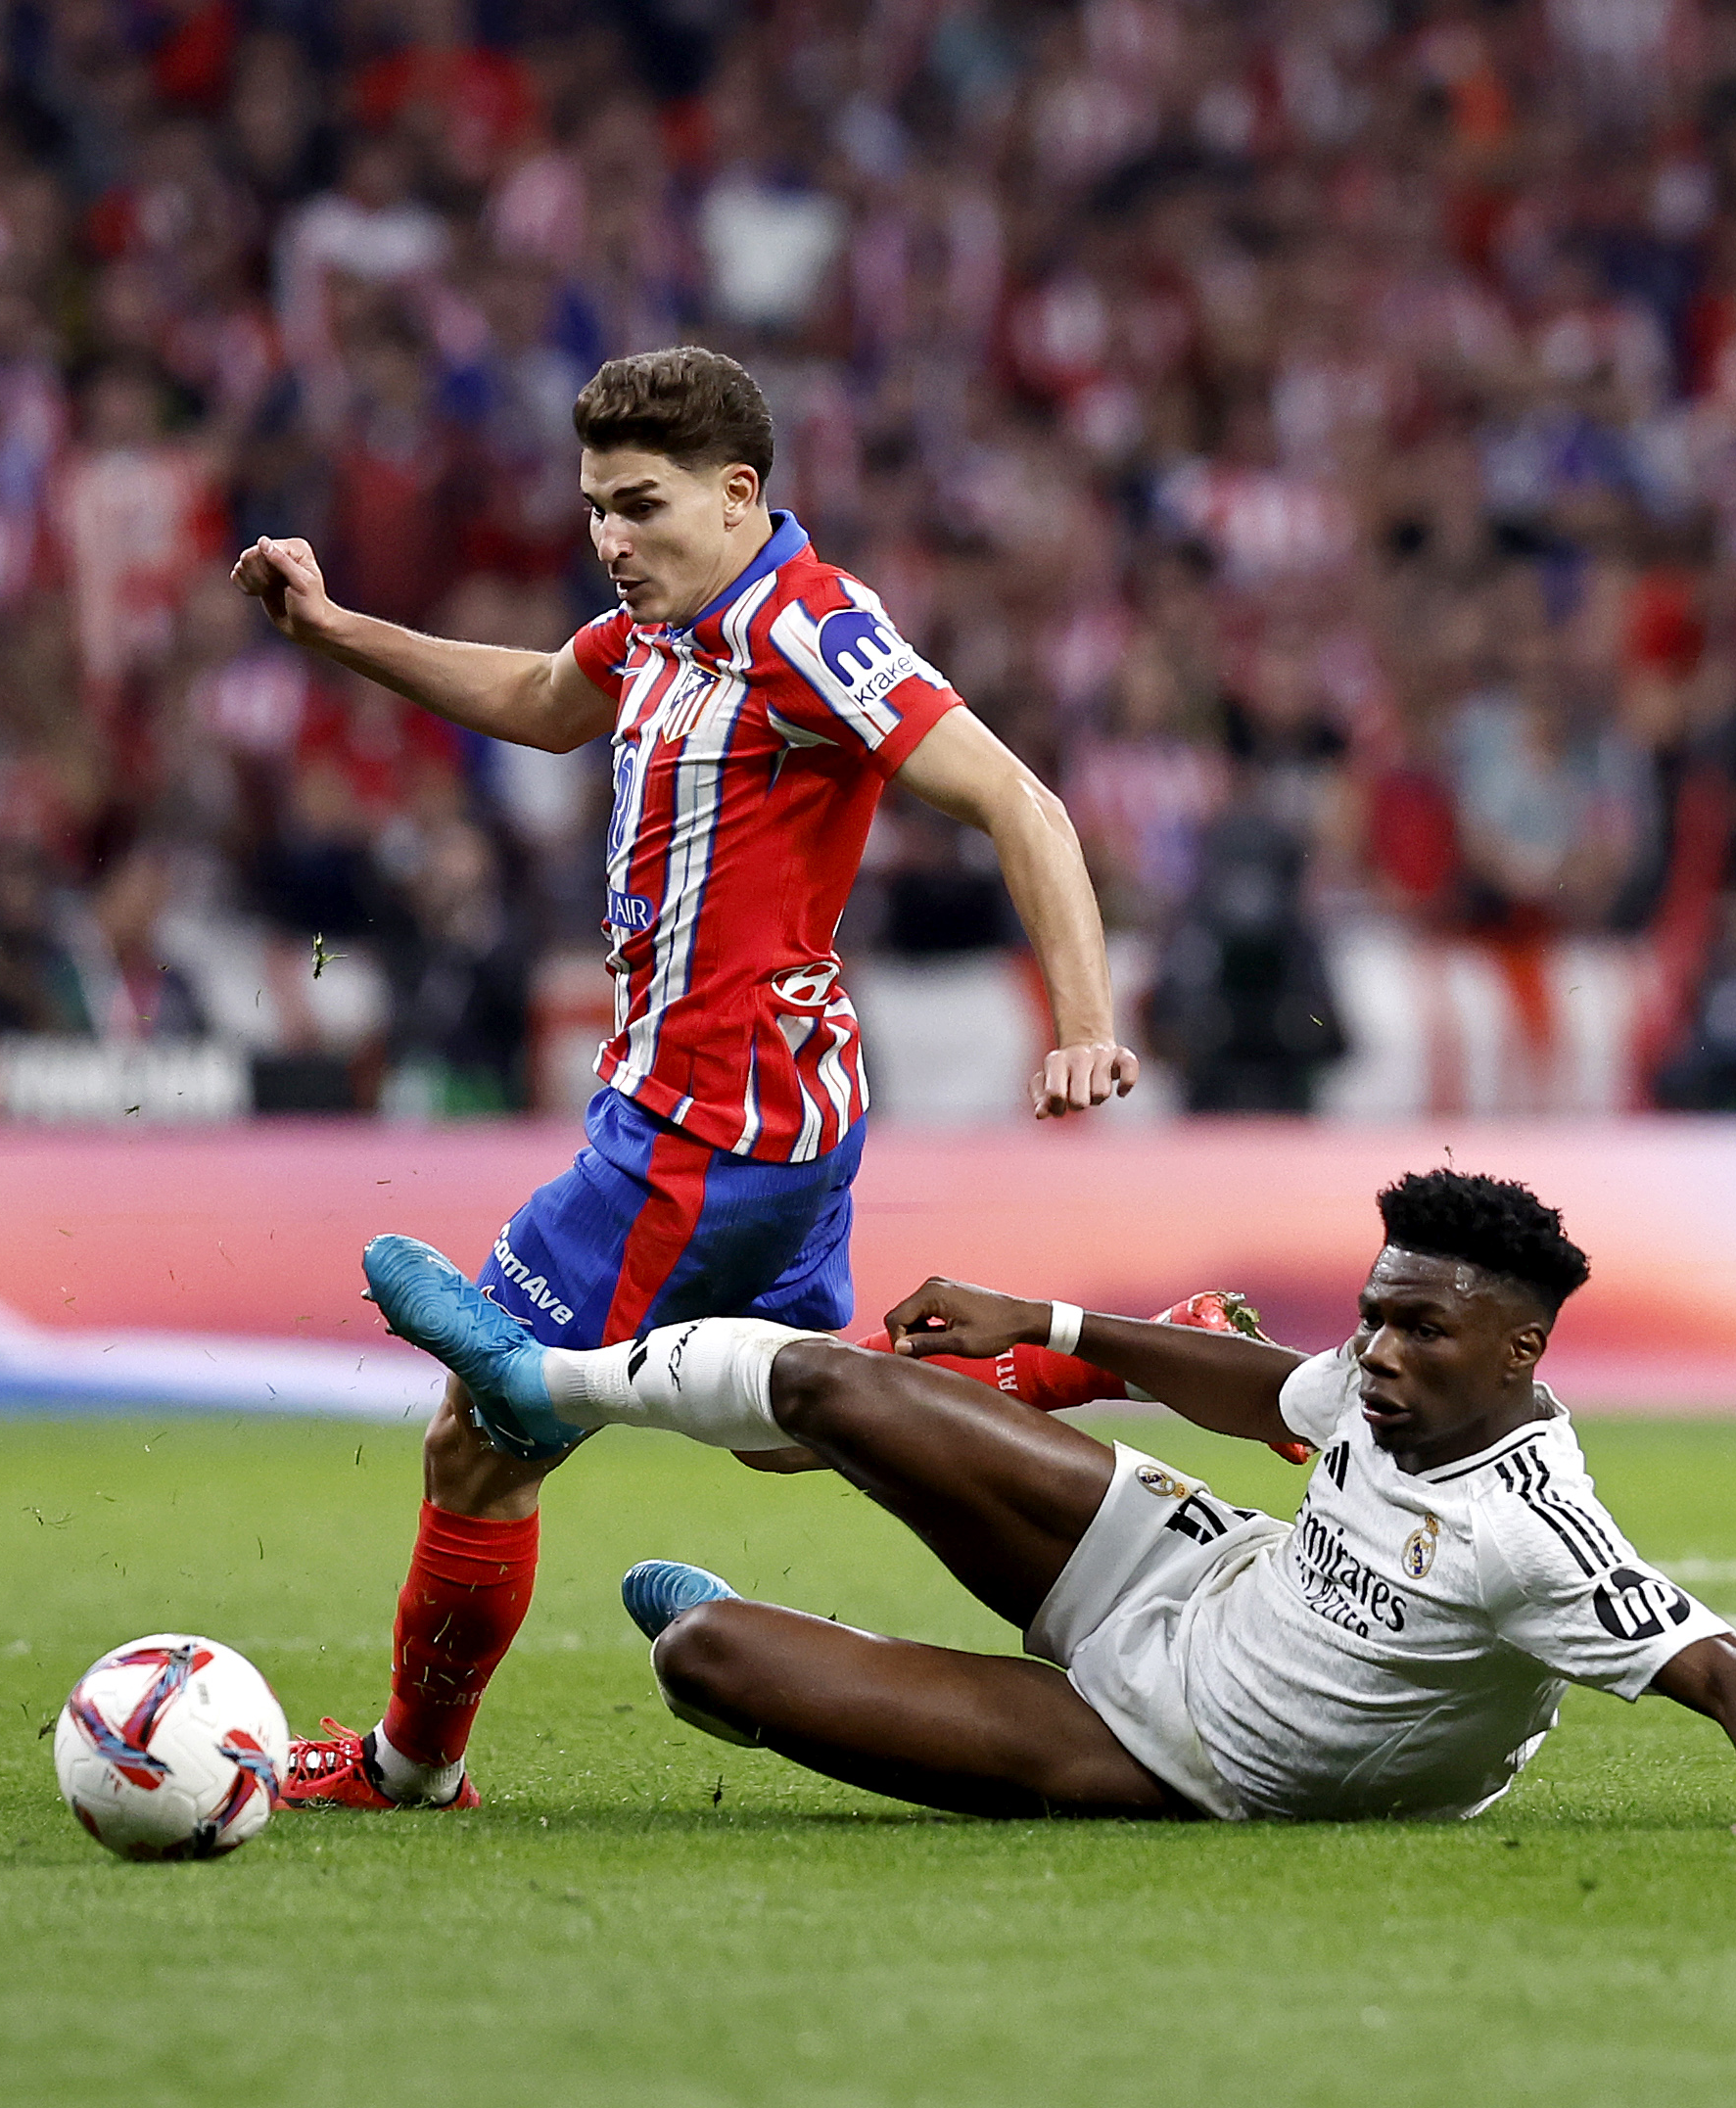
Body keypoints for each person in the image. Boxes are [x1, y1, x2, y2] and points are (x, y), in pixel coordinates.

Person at [235, 347, 1136, 1811]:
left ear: (736, 496)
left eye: (638, 507)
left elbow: (1015, 798)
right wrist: (333, 628)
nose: (609, 540)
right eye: (593, 507)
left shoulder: (813, 629)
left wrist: (1082, 1017)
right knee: (794, 1427)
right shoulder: (664, 624)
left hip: (691, 1139)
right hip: (776, 1119)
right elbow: (538, 691)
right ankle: (1108, 1356)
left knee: (482, 1436)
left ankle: (411, 1766)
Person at [337, 1170, 1736, 1832]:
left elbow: (1732, 1672)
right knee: (836, 1391)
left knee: (702, 1664)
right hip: (1174, 1572)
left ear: (1519, 1350)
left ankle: (768, 1646)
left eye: (1417, 1331)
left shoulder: (1535, 1528)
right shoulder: (1377, 1390)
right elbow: (1262, 1391)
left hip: (1175, 1753)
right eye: (1374, 1314)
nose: (1376, 1352)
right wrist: (1049, 1323)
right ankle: (546, 1383)